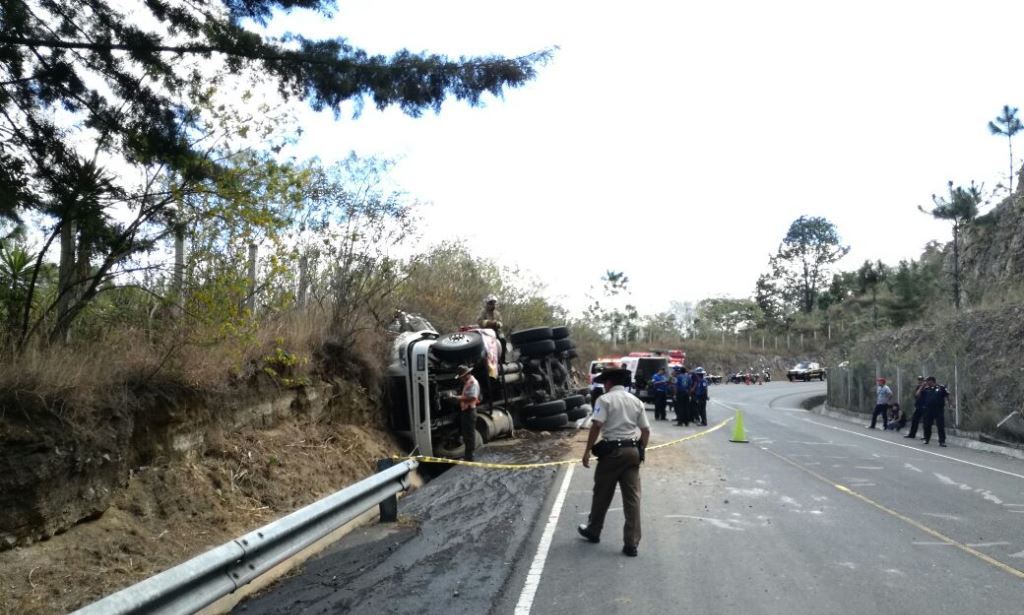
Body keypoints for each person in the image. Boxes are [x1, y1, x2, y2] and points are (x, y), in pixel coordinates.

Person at [578, 367, 650, 557]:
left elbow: (597, 425)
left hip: (611, 454)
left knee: (602, 493)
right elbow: (646, 430)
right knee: (632, 499)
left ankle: (594, 531)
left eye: (605, 382)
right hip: (632, 452)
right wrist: (641, 451)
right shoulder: (636, 401)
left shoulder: (605, 400)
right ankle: (631, 543)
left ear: (609, 383)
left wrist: (587, 451)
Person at [455, 364, 481, 461]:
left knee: (469, 435)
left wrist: (457, 398)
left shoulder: (472, 382)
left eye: (461, 377)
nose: (461, 379)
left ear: (466, 374)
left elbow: (473, 397)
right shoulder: (468, 382)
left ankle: (470, 457)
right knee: (467, 435)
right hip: (467, 410)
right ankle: (468, 456)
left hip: (470, 411)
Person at [920, 376, 950, 447]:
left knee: (940, 426)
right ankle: (927, 439)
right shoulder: (926, 389)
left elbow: (947, 396)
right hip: (928, 410)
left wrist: (950, 405)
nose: (926, 383)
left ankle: (942, 441)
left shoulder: (941, 388)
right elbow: (918, 395)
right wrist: (922, 387)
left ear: (932, 381)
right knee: (927, 425)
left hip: (938, 409)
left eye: (927, 381)